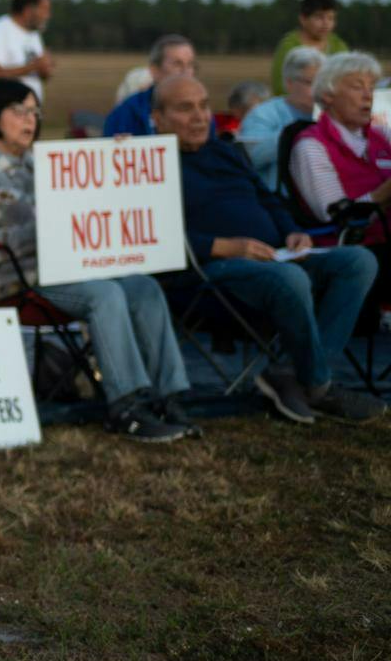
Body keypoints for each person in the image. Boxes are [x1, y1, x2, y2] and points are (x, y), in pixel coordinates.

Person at [0, 81, 192, 441]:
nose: (29, 120)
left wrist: (115, 162)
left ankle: (168, 395)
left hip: (73, 267)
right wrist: (46, 228)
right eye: (19, 111)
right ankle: (125, 404)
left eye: (34, 112)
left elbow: (93, 200)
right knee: (105, 294)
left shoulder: (45, 164)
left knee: (143, 287)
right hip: (18, 278)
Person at [157, 75, 381, 424]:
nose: (201, 117)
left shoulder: (225, 151)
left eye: (203, 106)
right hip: (207, 273)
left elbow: (269, 200)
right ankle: (319, 386)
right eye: (186, 109)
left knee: (358, 261)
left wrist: (293, 232)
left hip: (274, 258)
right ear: (157, 118)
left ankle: (290, 372)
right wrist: (226, 247)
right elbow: (154, 236)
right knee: (289, 278)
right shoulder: (150, 163)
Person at [288, 52, 391, 329]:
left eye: (371, 87)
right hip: (348, 251)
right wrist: (385, 192)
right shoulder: (311, 146)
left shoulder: (380, 137)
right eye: (357, 87)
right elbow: (335, 215)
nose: (368, 96)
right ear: (328, 95)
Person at [239, 47, 322, 189]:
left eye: (322, 82)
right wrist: (293, 133)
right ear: (289, 83)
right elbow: (251, 157)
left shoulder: (332, 114)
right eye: (310, 82)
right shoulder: (263, 114)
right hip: (278, 202)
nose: (318, 89)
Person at [103, 35, 197, 137]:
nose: (186, 72)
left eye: (190, 64)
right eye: (177, 64)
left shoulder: (201, 112)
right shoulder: (126, 113)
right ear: (154, 70)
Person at [270, 0, 347, 94]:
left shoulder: (338, 46)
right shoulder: (289, 47)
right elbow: (280, 86)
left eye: (331, 18)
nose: (326, 23)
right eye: (319, 17)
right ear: (303, 19)